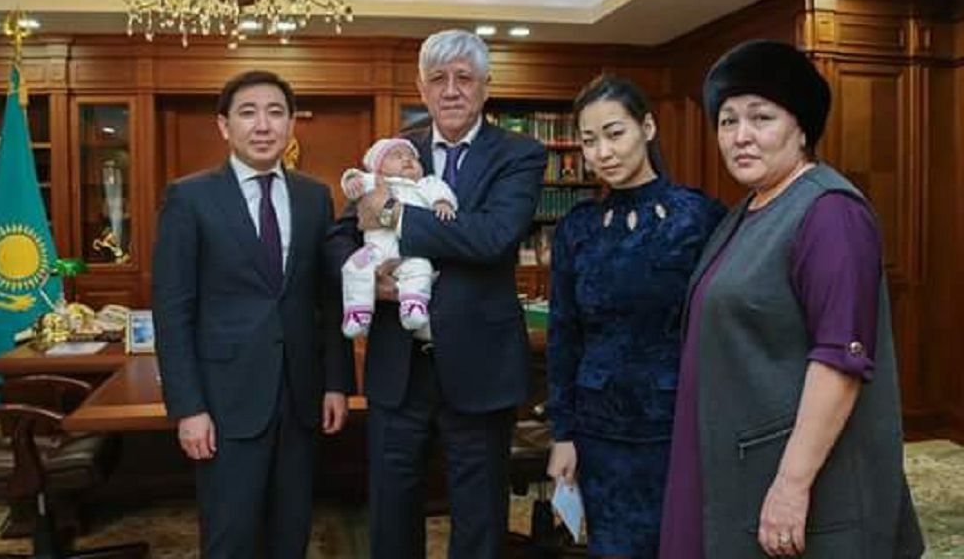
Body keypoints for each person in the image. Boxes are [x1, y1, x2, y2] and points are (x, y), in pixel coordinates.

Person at [659, 40, 924, 558]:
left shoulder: (831, 213)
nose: (741, 136)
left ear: (801, 128)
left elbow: (840, 362)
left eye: (761, 118)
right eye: (728, 121)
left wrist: (790, 485)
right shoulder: (747, 211)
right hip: (733, 461)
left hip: (796, 480)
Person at [327, 29, 547, 559]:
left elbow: (493, 237)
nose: (451, 90)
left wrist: (393, 213)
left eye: (464, 78)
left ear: (486, 86)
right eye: (438, 79)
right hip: (398, 367)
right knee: (391, 509)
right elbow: (340, 236)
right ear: (421, 89)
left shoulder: (520, 153)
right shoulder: (396, 151)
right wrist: (368, 279)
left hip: (480, 365)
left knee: (479, 515)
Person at [152, 70, 353, 559]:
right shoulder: (189, 197)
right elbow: (173, 311)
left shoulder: (314, 196)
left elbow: (328, 300)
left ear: (290, 125)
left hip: (300, 399)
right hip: (225, 403)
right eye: (248, 113)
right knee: (231, 538)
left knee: (291, 535)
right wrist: (188, 408)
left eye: (275, 112)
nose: (263, 125)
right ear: (224, 126)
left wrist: (336, 383)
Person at [545, 75, 724, 559]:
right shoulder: (577, 228)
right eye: (589, 140)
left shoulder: (699, 216)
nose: (602, 152)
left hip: (679, 424)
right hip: (597, 430)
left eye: (614, 133)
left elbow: (723, 325)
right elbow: (564, 334)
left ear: (646, 128)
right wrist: (563, 434)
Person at [339, 137, 457, 338]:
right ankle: (358, 312)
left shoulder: (425, 184)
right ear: (379, 167)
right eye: (397, 156)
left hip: (411, 251)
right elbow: (354, 178)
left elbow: (442, 192)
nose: (407, 159)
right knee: (354, 267)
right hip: (375, 250)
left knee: (421, 268)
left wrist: (442, 203)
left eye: (412, 157)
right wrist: (352, 182)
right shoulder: (376, 182)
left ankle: (414, 305)